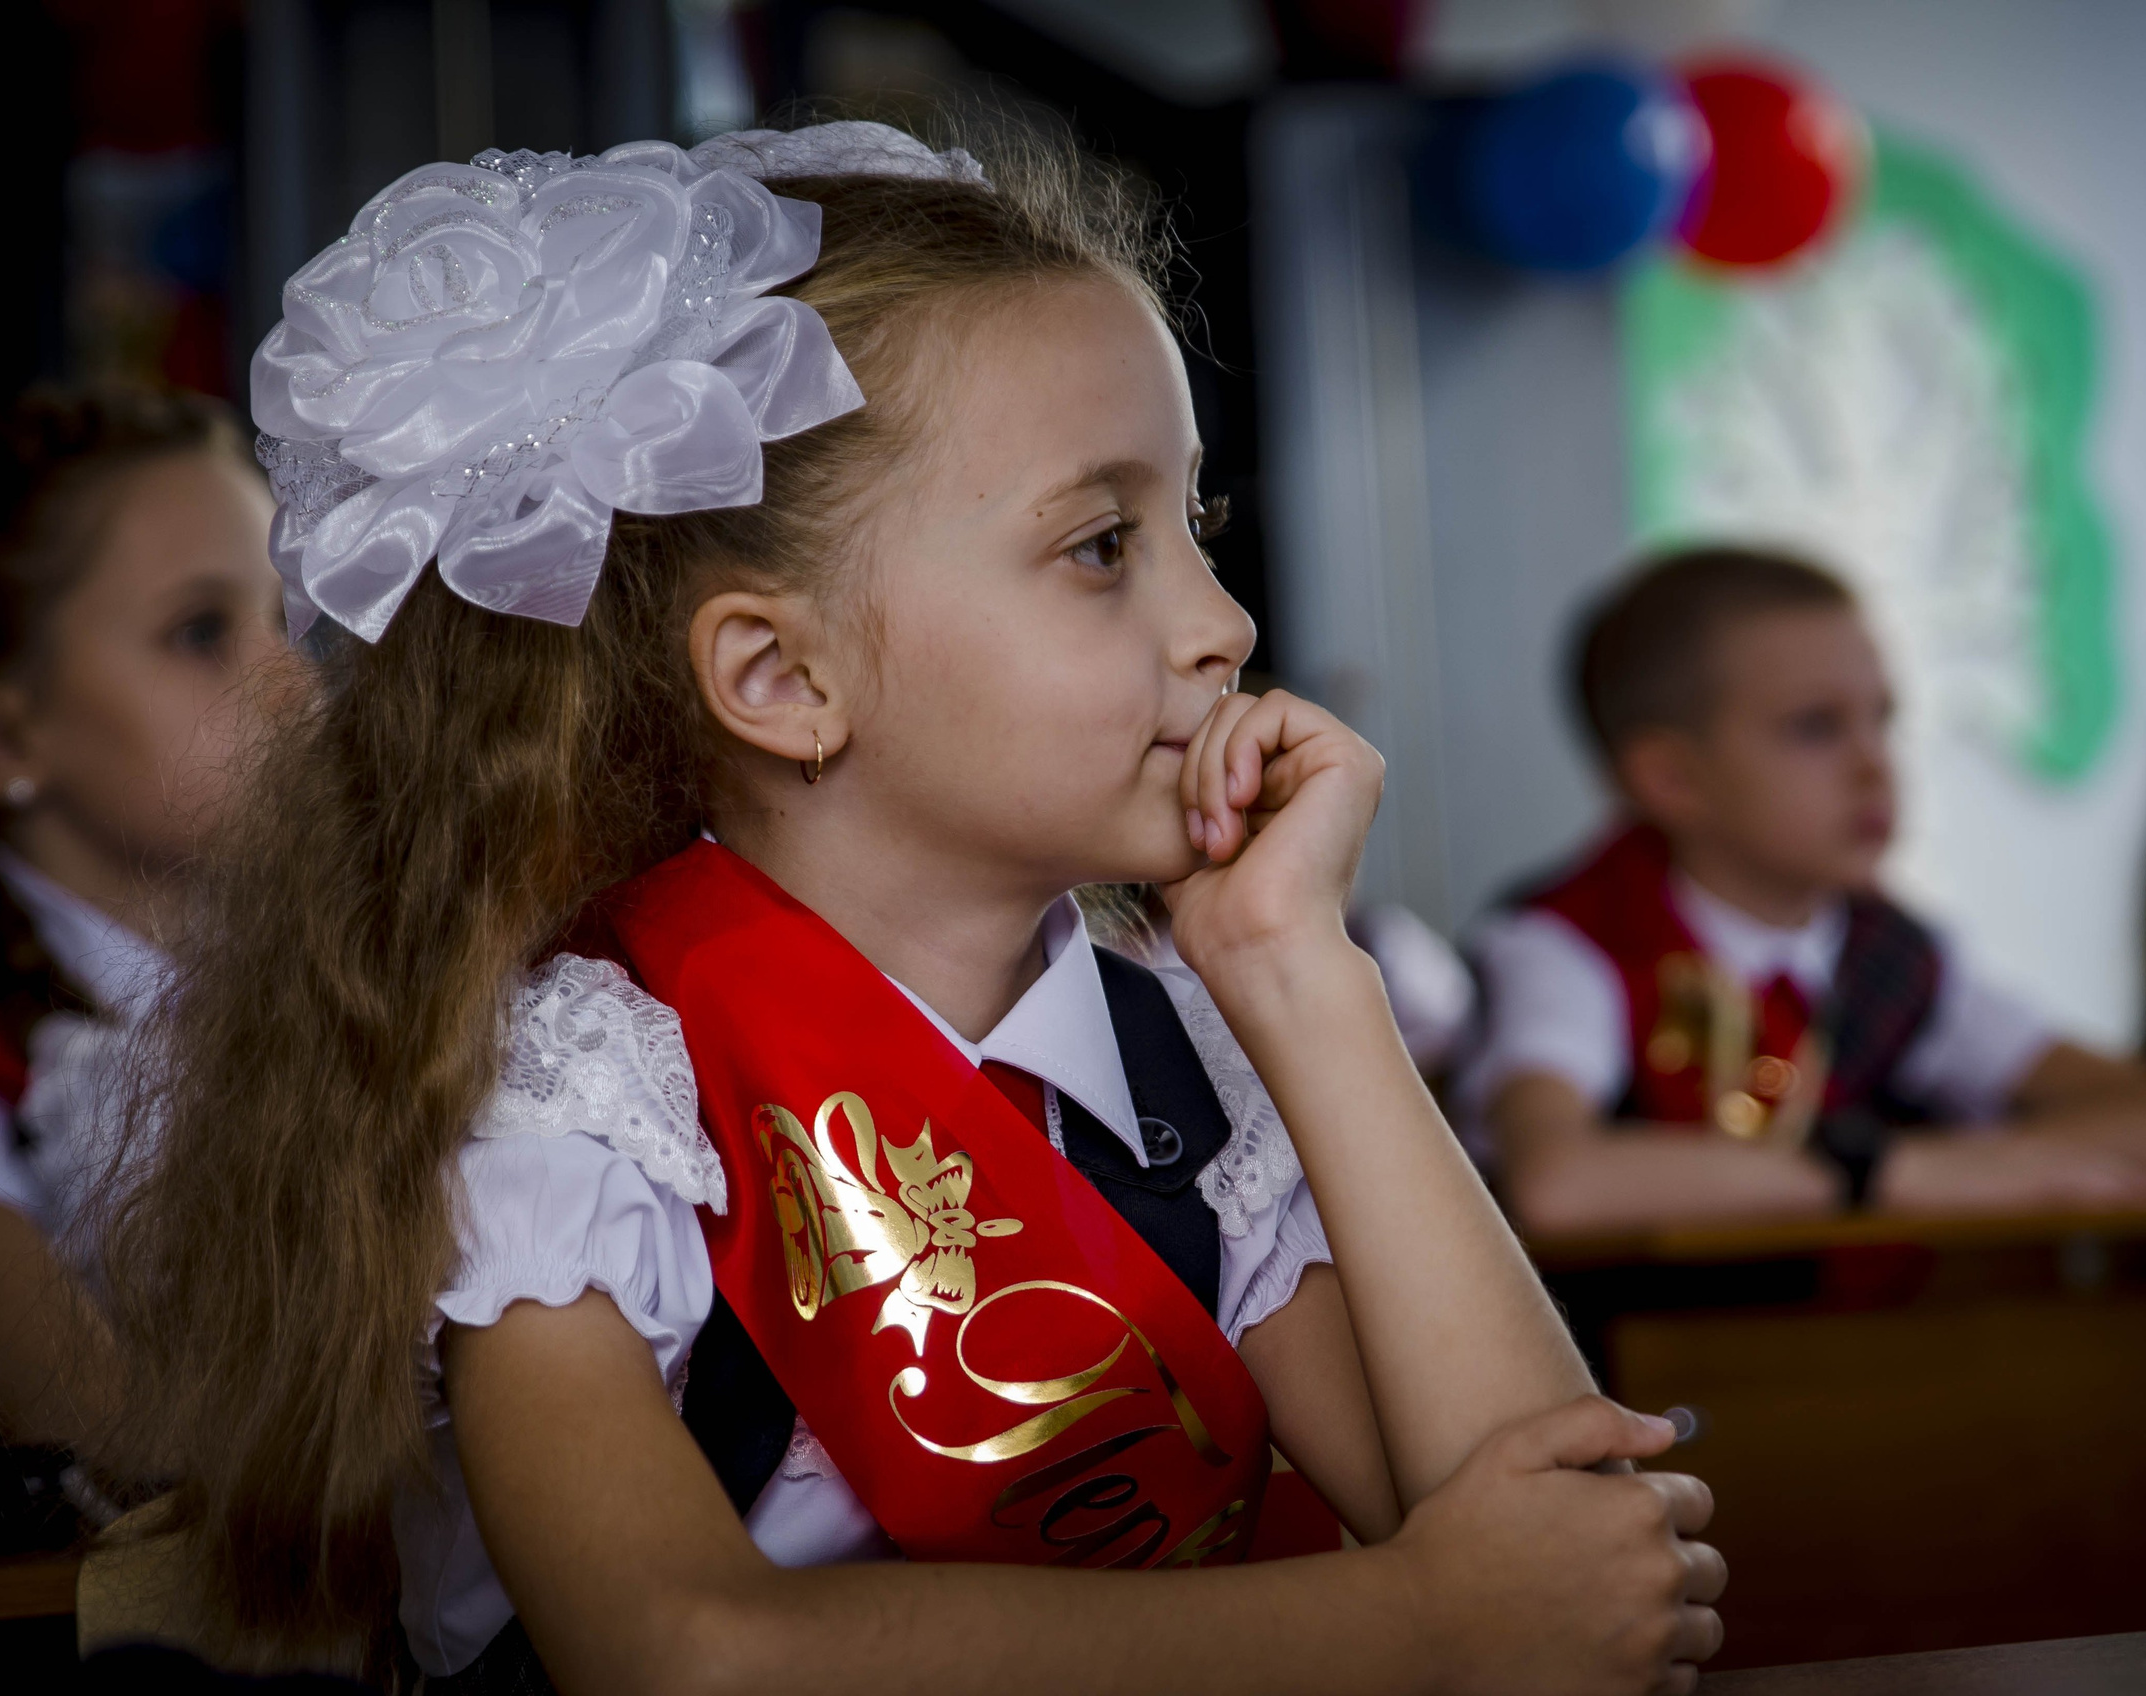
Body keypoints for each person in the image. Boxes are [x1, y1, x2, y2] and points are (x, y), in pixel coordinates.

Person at [93, 121, 1725, 1693]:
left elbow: (1563, 1564)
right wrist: (1413, 1634)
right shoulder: (587, 1100)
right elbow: (677, 1656)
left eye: (1196, 527)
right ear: (781, 676)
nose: (1224, 621)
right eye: (1103, 544)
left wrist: (1302, 974)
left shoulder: (1187, 1061)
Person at [1459, 545, 2146, 1237]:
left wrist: (1982, 1163)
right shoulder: (1568, 946)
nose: (1874, 765)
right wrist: (1888, 1174)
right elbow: (1558, 1185)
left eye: (1883, 719)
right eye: (1816, 727)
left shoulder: (1894, 955)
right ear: (1671, 777)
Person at [0, 385, 284, 1564]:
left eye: (287, 620)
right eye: (203, 633)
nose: (291, 685)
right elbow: (95, 1420)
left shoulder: (314, 956)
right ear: (3, 740)